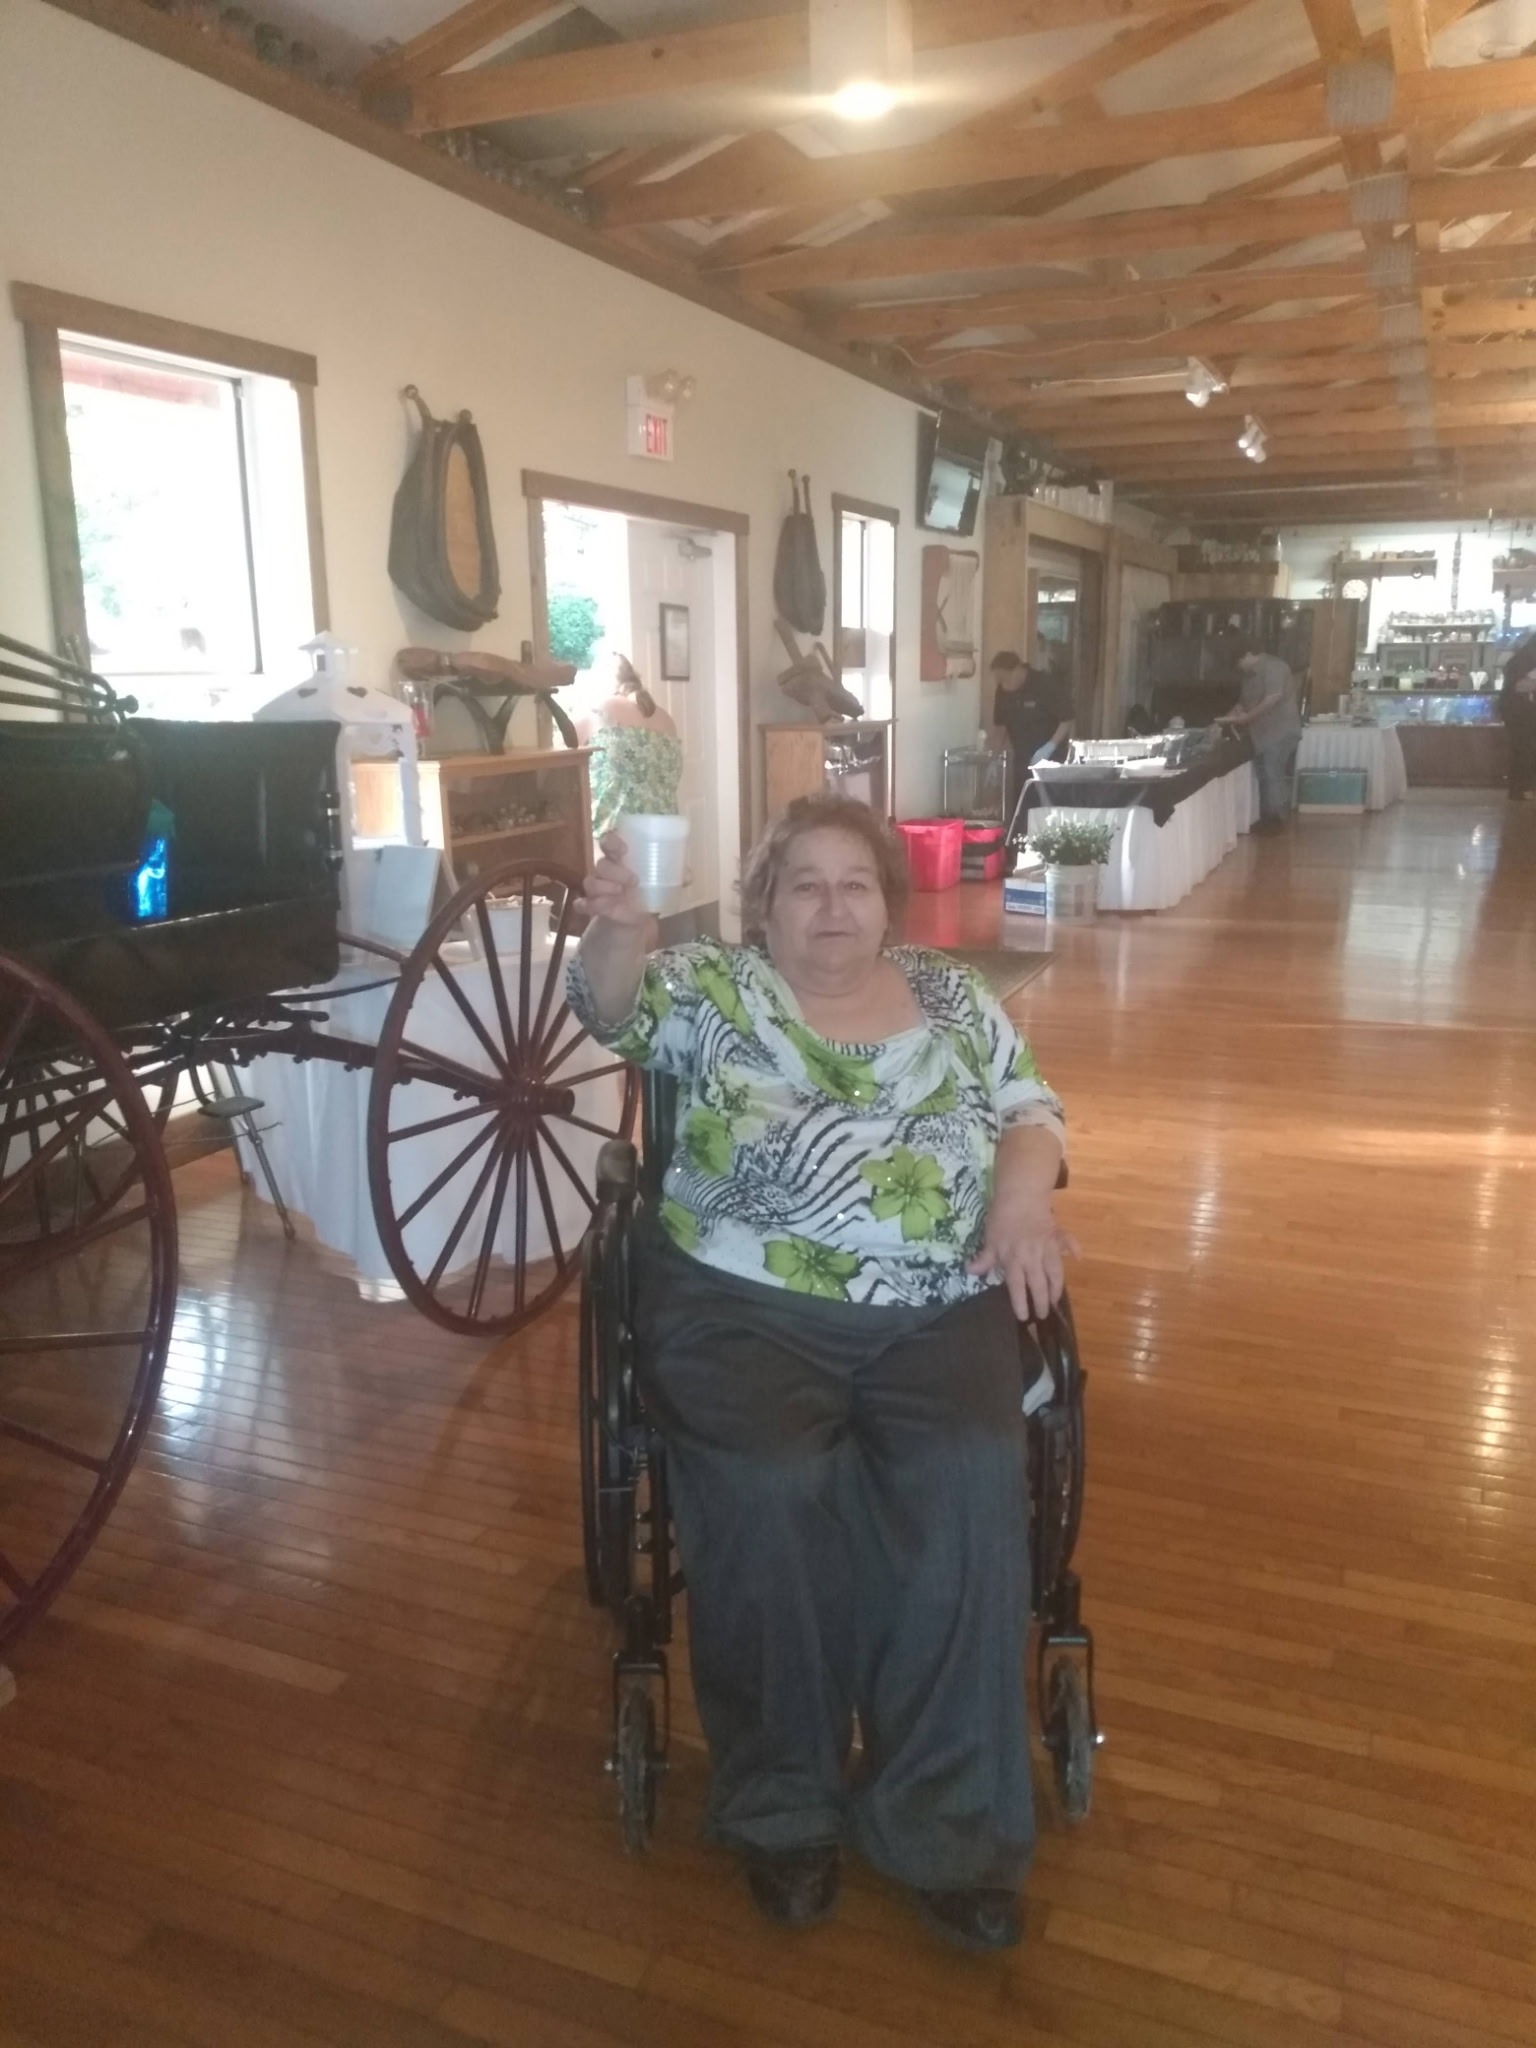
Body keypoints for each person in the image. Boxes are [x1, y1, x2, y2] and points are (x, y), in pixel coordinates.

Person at [568, 795, 1073, 1954]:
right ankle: (780, 1803)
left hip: (935, 1300)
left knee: (967, 1469)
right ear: (765, 907)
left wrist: (1019, 1197)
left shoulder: (954, 995)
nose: (833, 905)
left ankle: (946, 1822)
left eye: (857, 883)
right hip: (740, 1302)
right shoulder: (714, 987)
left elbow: (1029, 1105)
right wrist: (618, 929)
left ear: (890, 903)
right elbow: (610, 1007)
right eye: (805, 883)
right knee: (768, 1479)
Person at [578, 653, 684, 839]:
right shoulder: (667, 720)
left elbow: (563, 747)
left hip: (615, 836)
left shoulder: (601, 711)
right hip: (664, 837)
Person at [1219, 640, 1302, 833]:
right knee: (1265, 775)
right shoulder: (1249, 676)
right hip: (1262, 734)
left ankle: (1276, 820)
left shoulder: (1274, 667)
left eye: (1239, 662)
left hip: (1280, 732)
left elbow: (1272, 699)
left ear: (1249, 654)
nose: (1239, 667)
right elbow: (1243, 703)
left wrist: (1246, 718)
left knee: (1273, 774)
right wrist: (1225, 719)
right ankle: (1267, 817)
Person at [989, 649, 1074, 828]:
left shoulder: (1044, 684)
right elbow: (1000, 726)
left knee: (1047, 803)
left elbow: (1067, 719)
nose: (1003, 684)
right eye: (999, 680)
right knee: (1023, 803)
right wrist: (994, 758)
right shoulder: (1003, 691)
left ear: (1018, 670)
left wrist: (1050, 747)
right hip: (1022, 756)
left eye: (1005, 678)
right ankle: (1022, 840)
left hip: (1050, 757)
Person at [1501, 632, 1536, 802]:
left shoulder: (1521, 659)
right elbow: (1519, 686)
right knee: (1524, 749)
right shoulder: (1522, 661)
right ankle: (1521, 789)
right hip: (1518, 712)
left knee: (1524, 749)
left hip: (1521, 711)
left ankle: (1522, 788)